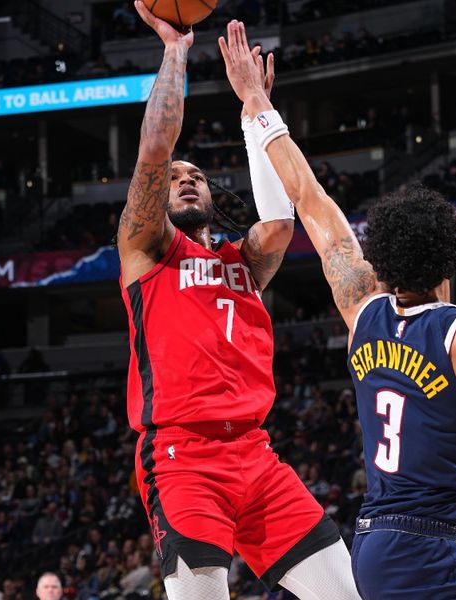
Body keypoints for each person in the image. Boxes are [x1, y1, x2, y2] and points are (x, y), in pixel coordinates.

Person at [217, 18, 456, 600]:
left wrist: (256, 104)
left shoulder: (363, 313)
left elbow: (311, 202)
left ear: (381, 263)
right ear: (451, 260)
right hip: (426, 553)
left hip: (382, 547)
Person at [117, 5, 360, 600]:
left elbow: (279, 223)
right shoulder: (145, 250)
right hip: (182, 456)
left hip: (255, 454)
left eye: (196, 174)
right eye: (176, 178)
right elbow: (154, 148)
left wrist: (256, 113)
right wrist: (175, 51)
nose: (187, 179)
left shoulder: (238, 259)